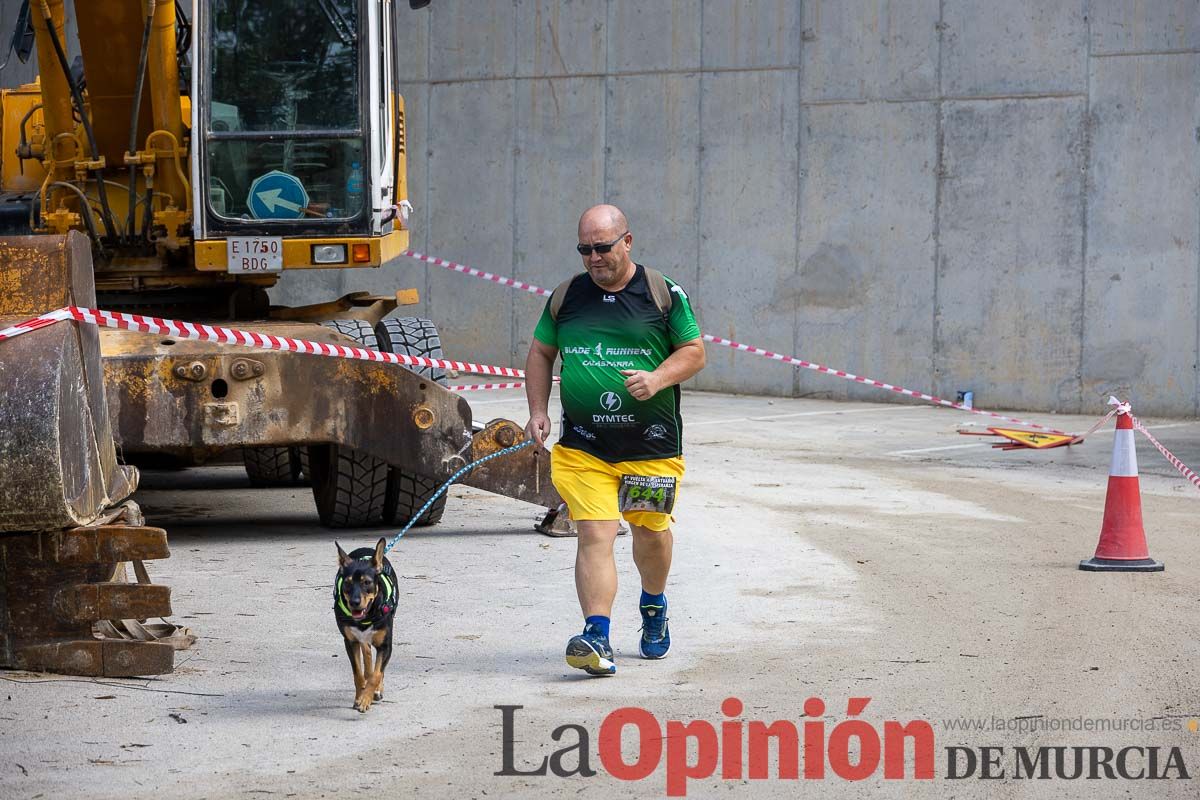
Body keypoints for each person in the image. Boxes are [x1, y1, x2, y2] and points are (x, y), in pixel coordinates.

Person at [524, 204, 706, 676]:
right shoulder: (568, 296)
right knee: (595, 533)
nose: (593, 257)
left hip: (651, 446)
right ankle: (597, 636)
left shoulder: (663, 294)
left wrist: (658, 378)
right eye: (584, 249)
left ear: (627, 242)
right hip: (585, 447)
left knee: (649, 533)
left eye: (602, 247)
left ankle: (653, 605)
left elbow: (694, 352)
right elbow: (542, 352)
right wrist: (539, 410)